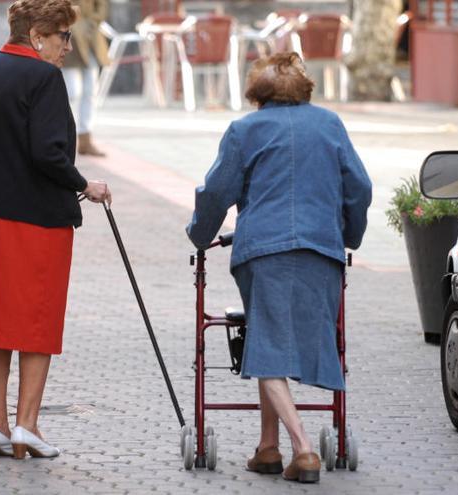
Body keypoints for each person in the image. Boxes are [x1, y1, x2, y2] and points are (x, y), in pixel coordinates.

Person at [186, 52, 371, 483]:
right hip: (320, 251)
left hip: (265, 252)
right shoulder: (329, 124)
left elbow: (215, 192)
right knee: (271, 340)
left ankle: (303, 449)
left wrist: (199, 235)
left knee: (267, 348)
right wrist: (350, 235)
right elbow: (359, 187)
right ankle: (267, 448)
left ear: (258, 96)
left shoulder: (245, 130)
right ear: (304, 92)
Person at [0, 0, 111, 461]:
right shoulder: (44, 78)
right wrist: (88, 185)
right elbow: (48, 154)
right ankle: (27, 426)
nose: (68, 47)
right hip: (37, 221)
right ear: (38, 35)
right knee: (36, 322)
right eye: (63, 37)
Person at [62, 0, 109, 156]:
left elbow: (101, 5)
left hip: (91, 37)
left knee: (90, 90)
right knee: (72, 91)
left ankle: (85, 139)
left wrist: (92, 21)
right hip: (66, 36)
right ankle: (62, 137)